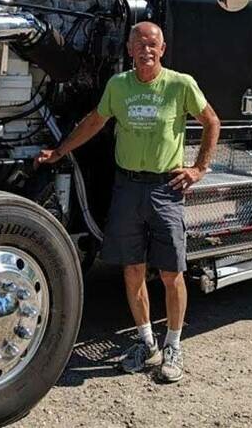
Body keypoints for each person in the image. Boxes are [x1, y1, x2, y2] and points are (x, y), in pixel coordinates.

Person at [36, 21, 220, 383]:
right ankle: (145, 342)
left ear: (162, 49)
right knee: (132, 269)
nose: (146, 50)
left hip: (165, 189)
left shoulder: (181, 84)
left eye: (152, 44)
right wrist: (60, 150)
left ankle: (174, 346)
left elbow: (211, 121)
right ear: (129, 51)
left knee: (171, 273)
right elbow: (94, 122)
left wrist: (199, 169)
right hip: (127, 188)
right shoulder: (119, 86)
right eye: (139, 45)